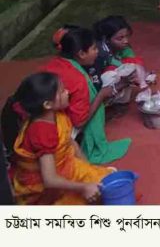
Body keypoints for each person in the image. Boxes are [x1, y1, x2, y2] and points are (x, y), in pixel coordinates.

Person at [1, 72, 116, 205]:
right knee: (100, 194)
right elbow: (49, 180)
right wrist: (84, 187)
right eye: (61, 92)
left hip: (66, 166)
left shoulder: (56, 114)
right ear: (47, 104)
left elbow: (70, 143)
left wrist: (89, 169)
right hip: (46, 188)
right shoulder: (42, 132)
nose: (67, 92)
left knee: (108, 182)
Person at [39, 27, 131, 164]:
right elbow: (79, 122)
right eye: (94, 48)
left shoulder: (56, 63)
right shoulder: (78, 80)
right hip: (51, 127)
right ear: (81, 54)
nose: (97, 51)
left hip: (37, 115)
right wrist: (101, 95)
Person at [93, 16, 156, 104]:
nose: (126, 41)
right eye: (120, 38)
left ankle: (117, 98)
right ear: (106, 39)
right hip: (96, 86)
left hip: (109, 77)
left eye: (127, 36)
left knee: (131, 69)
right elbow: (95, 81)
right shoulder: (99, 55)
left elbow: (135, 63)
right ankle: (106, 103)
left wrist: (143, 76)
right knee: (113, 75)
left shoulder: (125, 48)